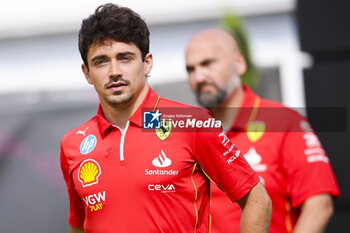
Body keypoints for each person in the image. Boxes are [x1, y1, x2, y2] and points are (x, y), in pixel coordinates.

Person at [60, 4, 272, 233]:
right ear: (87, 73)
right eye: (101, 61)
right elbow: (79, 226)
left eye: (125, 58)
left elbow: (257, 200)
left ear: (147, 62)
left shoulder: (191, 123)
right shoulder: (73, 144)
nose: (114, 71)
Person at [185, 27, 340, 233]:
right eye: (190, 69)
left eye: (207, 63)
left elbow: (319, 205)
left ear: (239, 63)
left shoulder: (284, 122)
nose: (199, 77)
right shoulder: (189, 133)